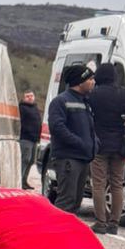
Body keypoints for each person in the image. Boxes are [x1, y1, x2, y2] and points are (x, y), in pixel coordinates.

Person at [86, 64, 125, 233]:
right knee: (117, 184)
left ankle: (100, 222)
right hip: (121, 145)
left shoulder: (94, 94)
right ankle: (114, 223)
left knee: (98, 184)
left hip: (99, 145)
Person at [46, 63, 97, 214]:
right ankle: (54, 235)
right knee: (66, 201)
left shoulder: (85, 101)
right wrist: (80, 143)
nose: (93, 82)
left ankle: (67, 234)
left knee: (75, 202)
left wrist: (95, 143)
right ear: (79, 81)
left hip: (83, 158)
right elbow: (57, 128)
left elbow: (89, 128)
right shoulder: (60, 101)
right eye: (90, 79)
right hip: (69, 159)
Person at [18, 91, 43, 189]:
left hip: (34, 139)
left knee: (31, 161)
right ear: (23, 98)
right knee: (25, 159)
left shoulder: (35, 108)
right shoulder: (22, 108)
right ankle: (19, 181)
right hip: (25, 138)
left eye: (31, 96)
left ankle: (24, 181)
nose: (29, 98)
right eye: (27, 96)